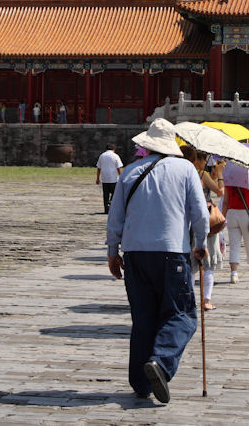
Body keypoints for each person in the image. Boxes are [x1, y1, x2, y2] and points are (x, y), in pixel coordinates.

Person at [106, 118, 209, 403]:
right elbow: (200, 214)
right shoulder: (186, 168)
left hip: (135, 255)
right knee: (182, 314)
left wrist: (113, 252)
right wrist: (200, 245)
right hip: (172, 252)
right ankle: (161, 363)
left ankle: (141, 383)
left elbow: (115, 217)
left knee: (143, 318)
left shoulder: (129, 171)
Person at [182, 146, 225, 311]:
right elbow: (220, 192)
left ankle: (190, 299)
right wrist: (220, 174)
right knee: (208, 262)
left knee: (191, 264)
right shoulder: (201, 174)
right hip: (205, 218)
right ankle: (206, 300)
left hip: (187, 220)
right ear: (198, 159)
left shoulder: (184, 174)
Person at [95, 144, 124, 214]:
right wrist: (121, 177)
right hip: (113, 179)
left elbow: (99, 168)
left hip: (104, 178)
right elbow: (118, 168)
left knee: (105, 194)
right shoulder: (115, 156)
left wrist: (97, 178)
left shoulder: (102, 156)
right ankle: (111, 204)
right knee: (115, 194)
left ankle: (106, 209)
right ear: (114, 149)